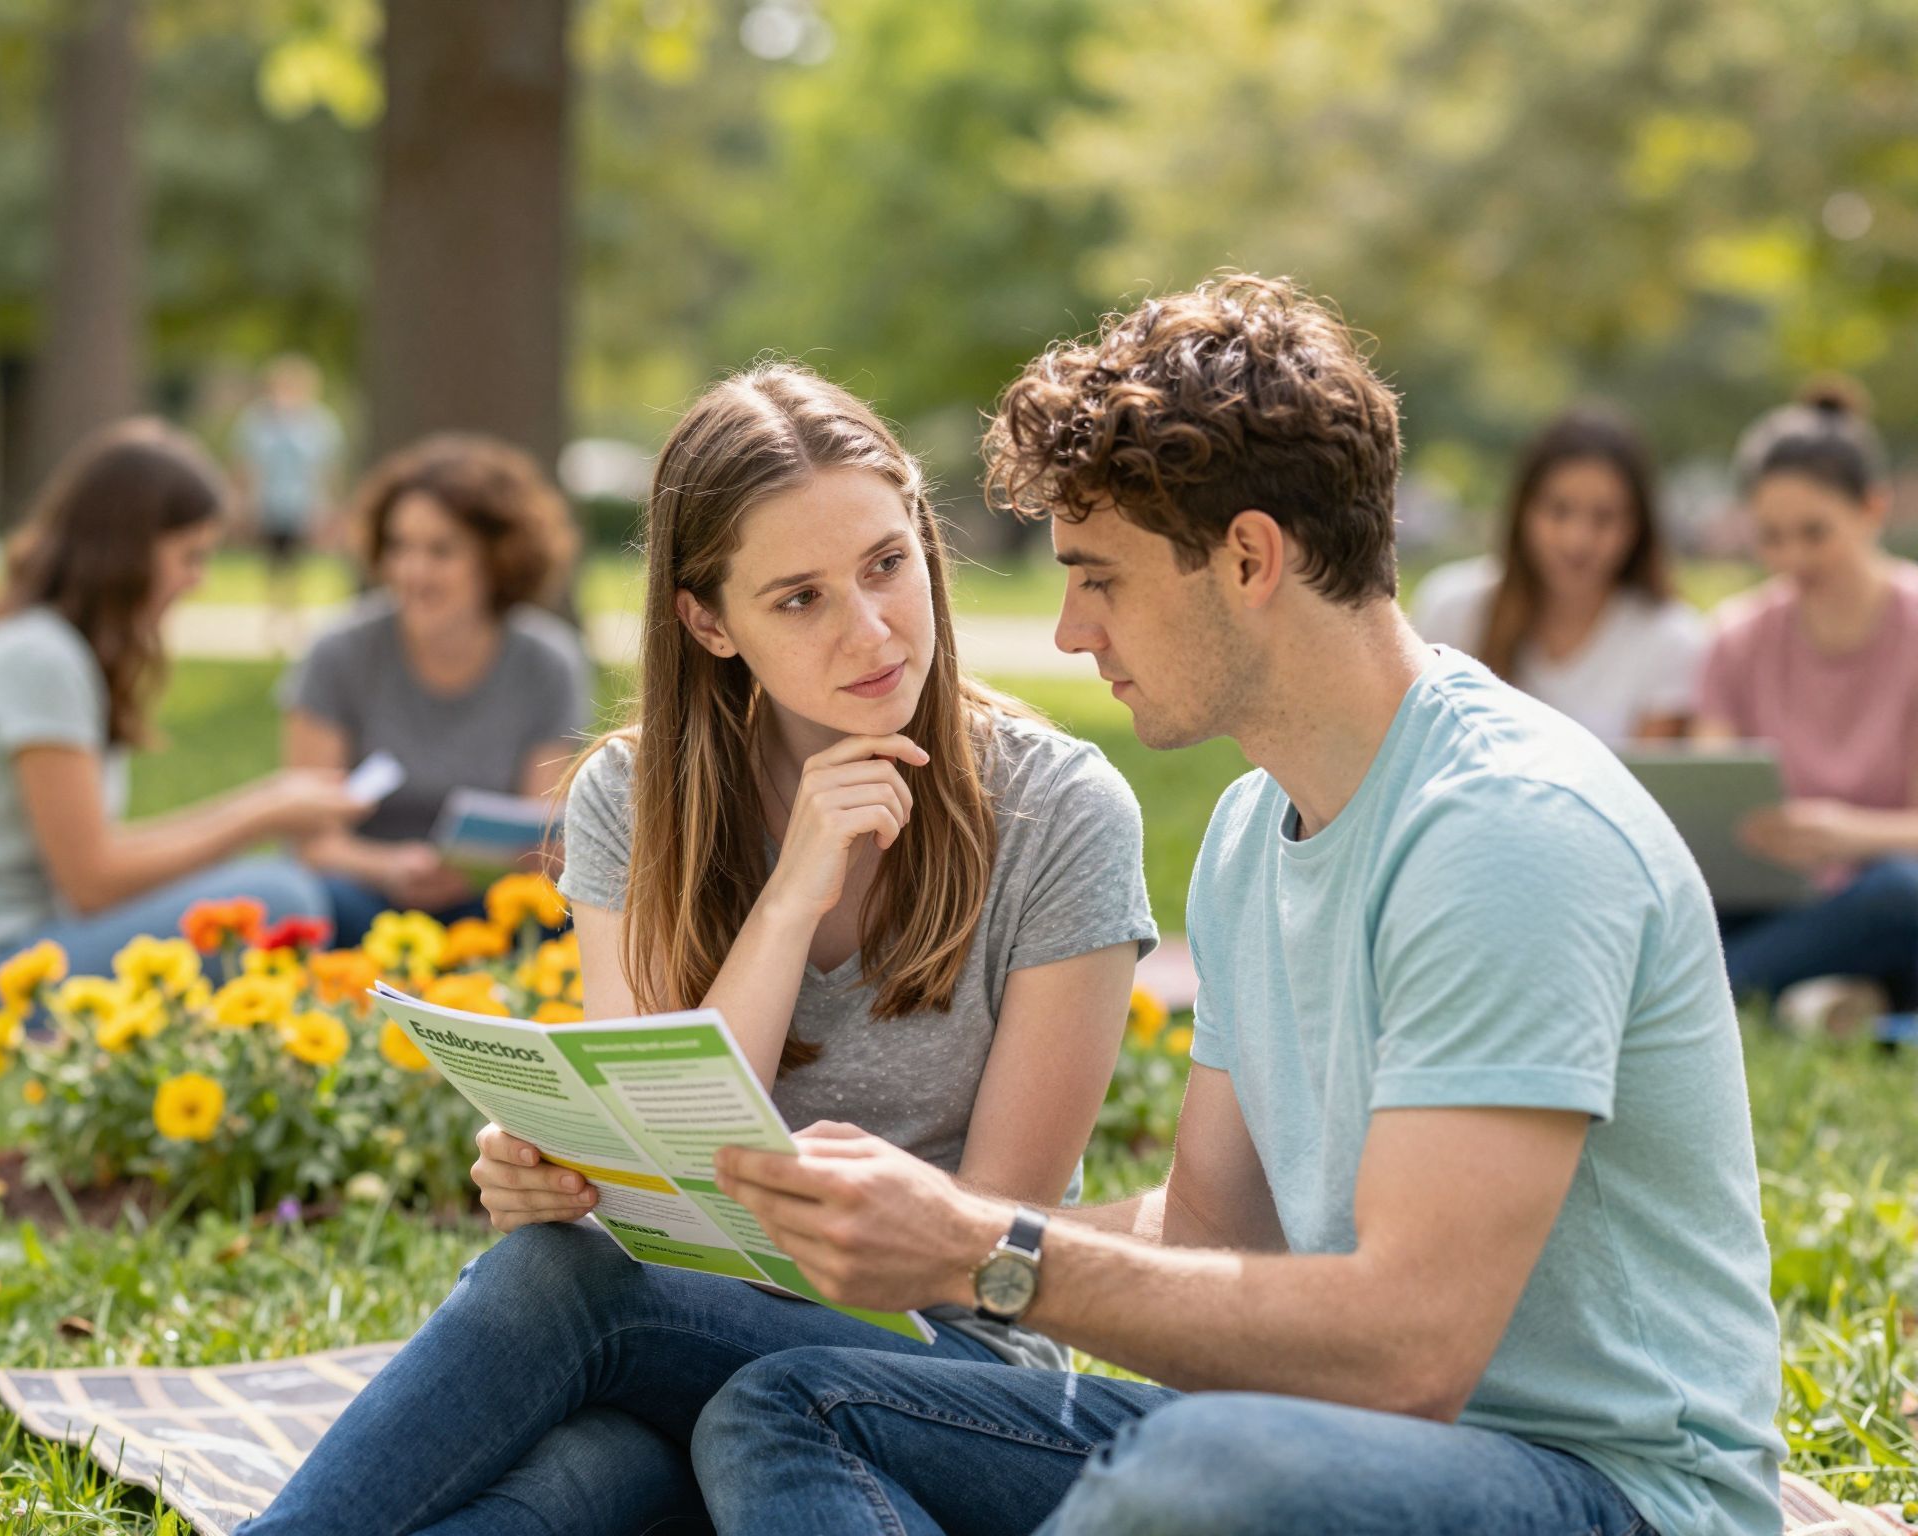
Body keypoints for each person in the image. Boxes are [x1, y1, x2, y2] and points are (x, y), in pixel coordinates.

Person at [693, 276, 1784, 1536]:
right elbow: (1211, 1228)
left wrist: (980, 1253)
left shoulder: (1504, 830)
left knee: (1199, 1474)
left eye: (1096, 578)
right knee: (791, 1405)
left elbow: (1409, 1351)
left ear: (1250, 558)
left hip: (1608, 1494)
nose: (1063, 631)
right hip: (1336, 1447)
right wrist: (891, 1223)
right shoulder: (1246, 835)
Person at [234, 364, 1158, 1536]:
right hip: (697, 1329)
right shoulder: (631, 796)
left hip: (944, 1365)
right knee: (570, 1488)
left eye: (886, 564)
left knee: (569, 1280)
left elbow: (988, 1233)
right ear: (707, 621)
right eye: (799, 598)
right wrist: (781, 904)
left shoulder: (1059, 810)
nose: (871, 629)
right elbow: (653, 1161)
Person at [0, 419, 362, 1049]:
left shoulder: (52, 648)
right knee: (279, 895)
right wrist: (262, 810)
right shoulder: (41, 658)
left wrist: (266, 808)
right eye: (189, 556)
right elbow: (94, 880)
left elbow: (89, 863)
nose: (199, 579)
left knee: (286, 890)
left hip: (9, 951)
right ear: (130, 551)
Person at [280, 434, 592, 940]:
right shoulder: (338, 654)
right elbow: (313, 843)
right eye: (399, 547)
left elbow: (544, 839)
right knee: (307, 904)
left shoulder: (547, 662)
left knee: (580, 916)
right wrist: (393, 869)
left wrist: (469, 873)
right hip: (363, 897)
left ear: (497, 560)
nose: (412, 571)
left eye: (440, 551)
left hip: (493, 899)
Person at [1696, 382, 1918, 1022]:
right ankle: (1818, 993)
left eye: (1814, 533)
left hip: (1881, 887)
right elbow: (1715, 801)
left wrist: (1846, 834)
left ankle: (1700, 999)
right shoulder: (1736, 638)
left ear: (1872, 509)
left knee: (1900, 893)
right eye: (1770, 536)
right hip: (1771, 894)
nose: (1791, 557)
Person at [1411, 406, 1705, 741]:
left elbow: (1651, 785)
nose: (1577, 540)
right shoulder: (1451, 608)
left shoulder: (1669, 638)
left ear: (1637, 527)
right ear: (1524, 511)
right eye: (1558, 511)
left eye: (1604, 517)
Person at [232, 355, 344, 649]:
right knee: (274, 563)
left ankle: (292, 617)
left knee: (296, 563)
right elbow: (247, 468)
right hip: (270, 504)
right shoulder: (257, 424)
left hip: (303, 506)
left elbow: (326, 471)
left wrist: (329, 509)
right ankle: (275, 619)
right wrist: (244, 506)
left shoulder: (319, 424)